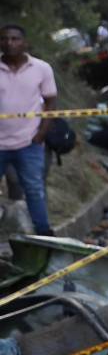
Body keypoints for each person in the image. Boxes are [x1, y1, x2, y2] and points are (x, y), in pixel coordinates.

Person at [0, 24, 59, 235]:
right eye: (5, 39)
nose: (9, 43)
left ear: (24, 43)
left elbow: (51, 101)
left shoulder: (42, 68)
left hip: (29, 143)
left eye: (15, 39)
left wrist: (41, 133)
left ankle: (44, 235)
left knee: (34, 190)